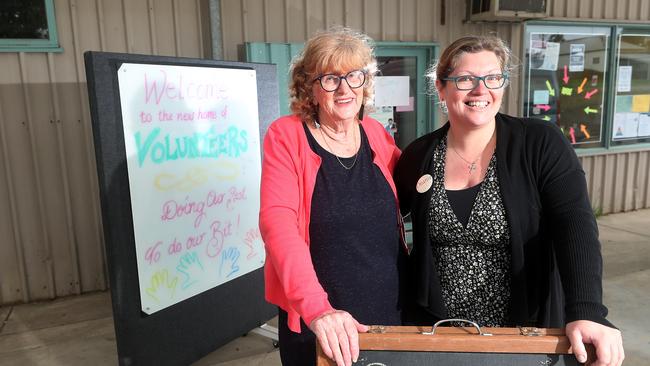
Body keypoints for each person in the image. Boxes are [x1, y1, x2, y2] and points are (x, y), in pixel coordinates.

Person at [394, 35, 624, 366]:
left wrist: (588, 310)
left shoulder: (540, 143)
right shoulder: (419, 155)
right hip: (440, 336)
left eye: (492, 78)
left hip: (522, 335)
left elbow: (575, 225)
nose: (480, 90)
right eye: (464, 79)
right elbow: (382, 221)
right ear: (442, 89)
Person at [259, 26, 407, 366]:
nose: (344, 89)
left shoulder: (375, 133)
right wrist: (316, 308)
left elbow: (418, 190)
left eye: (354, 76)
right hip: (321, 317)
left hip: (390, 309)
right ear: (309, 87)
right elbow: (276, 223)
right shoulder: (287, 136)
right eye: (330, 78)